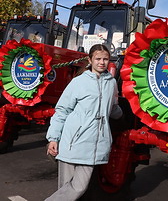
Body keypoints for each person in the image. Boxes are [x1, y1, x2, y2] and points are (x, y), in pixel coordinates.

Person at [45, 44, 123, 201]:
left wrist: (124, 114)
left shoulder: (111, 83)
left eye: (105, 59)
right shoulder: (78, 82)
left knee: (79, 187)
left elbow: (112, 107)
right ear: (90, 60)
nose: (102, 62)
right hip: (73, 141)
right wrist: (53, 138)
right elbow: (62, 110)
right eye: (98, 59)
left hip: (95, 144)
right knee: (66, 189)